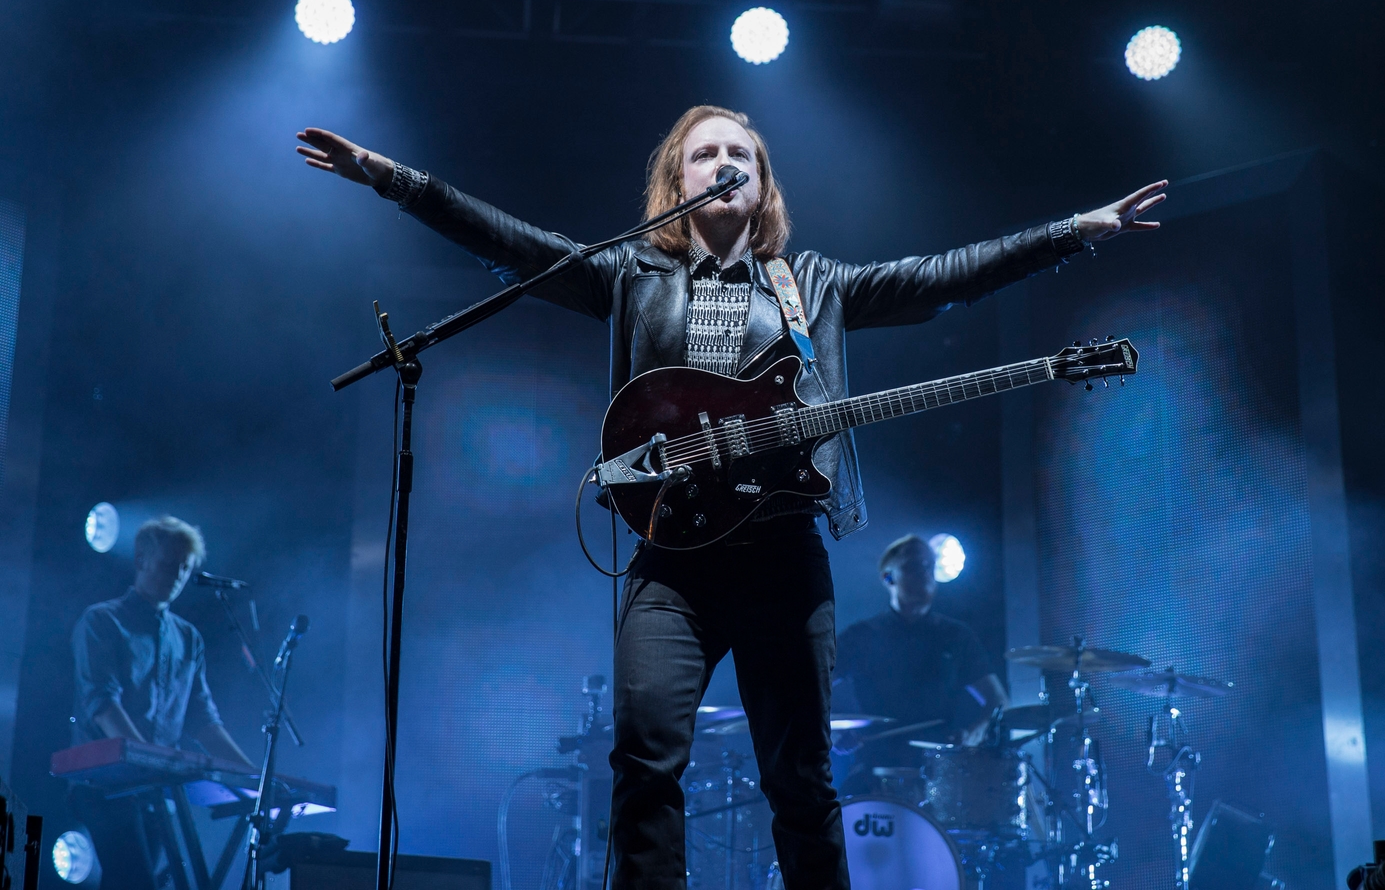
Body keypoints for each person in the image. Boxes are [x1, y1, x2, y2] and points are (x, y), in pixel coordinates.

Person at [295, 107, 1165, 890]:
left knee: (801, 778)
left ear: (761, 183)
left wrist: (1073, 231)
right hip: (669, 563)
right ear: (676, 180)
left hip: (783, 556)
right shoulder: (632, 275)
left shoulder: (811, 284)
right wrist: (390, 176)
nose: (722, 163)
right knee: (644, 761)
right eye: (704, 152)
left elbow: (946, 275)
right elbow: (514, 243)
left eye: (738, 153)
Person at [70, 515, 254, 890]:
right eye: (169, 565)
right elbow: (103, 705)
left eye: (185, 569)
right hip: (105, 785)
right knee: (136, 882)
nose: (178, 576)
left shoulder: (188, 639)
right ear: (140, 560)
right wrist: (147, 761)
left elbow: (204, 720)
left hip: (156, 792)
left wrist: (255, 779)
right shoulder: (102, 621)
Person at [833, 535, 1009, 792]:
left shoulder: (956, 636)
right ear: (888, 577)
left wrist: (974, 733)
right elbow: (814, 688)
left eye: (929, 566)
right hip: (873, 769)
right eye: (914, 566)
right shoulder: (860, 636)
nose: (925, 573)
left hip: (941, 774)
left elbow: (998, 700)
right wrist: (833, 733)